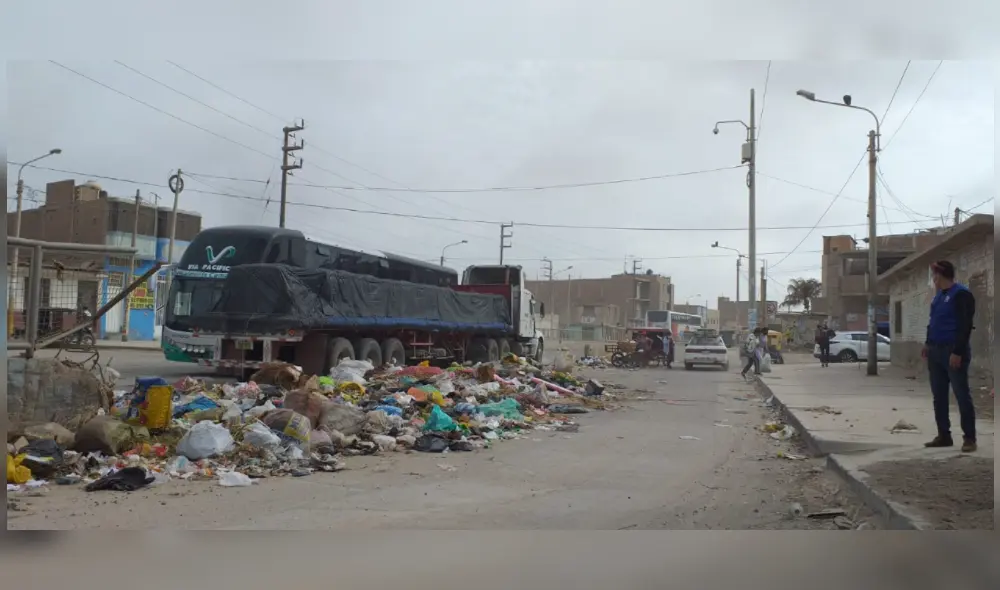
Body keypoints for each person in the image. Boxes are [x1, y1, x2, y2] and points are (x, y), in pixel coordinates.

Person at [923, 260, 977, 453]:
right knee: (939, 395)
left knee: (961, 394)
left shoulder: (961, 295)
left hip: (952, 351)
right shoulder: (938, 297)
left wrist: (958, 352)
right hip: (935, 351)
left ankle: (969, 438)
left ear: (940, 275)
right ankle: (944, 435)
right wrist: (927, 343)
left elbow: (965, 326)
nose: (933, 279)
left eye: (934, 275)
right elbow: (933, 322)